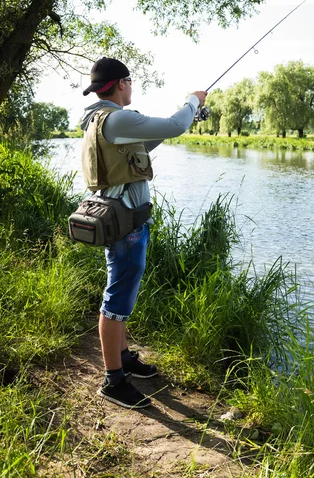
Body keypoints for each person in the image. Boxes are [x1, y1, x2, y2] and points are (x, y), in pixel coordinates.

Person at [80, 57, 207, 409]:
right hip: (124, 224)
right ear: (121, 83)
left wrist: (166, 128)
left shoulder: (101, 119)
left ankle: (123, 357)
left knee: (122, 291)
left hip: (124, 219)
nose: (132, 87)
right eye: (130, 82)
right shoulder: (116, 117)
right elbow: (176, 125)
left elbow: (144, 145)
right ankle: (113, 380)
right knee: (117, 298)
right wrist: (193, 101)